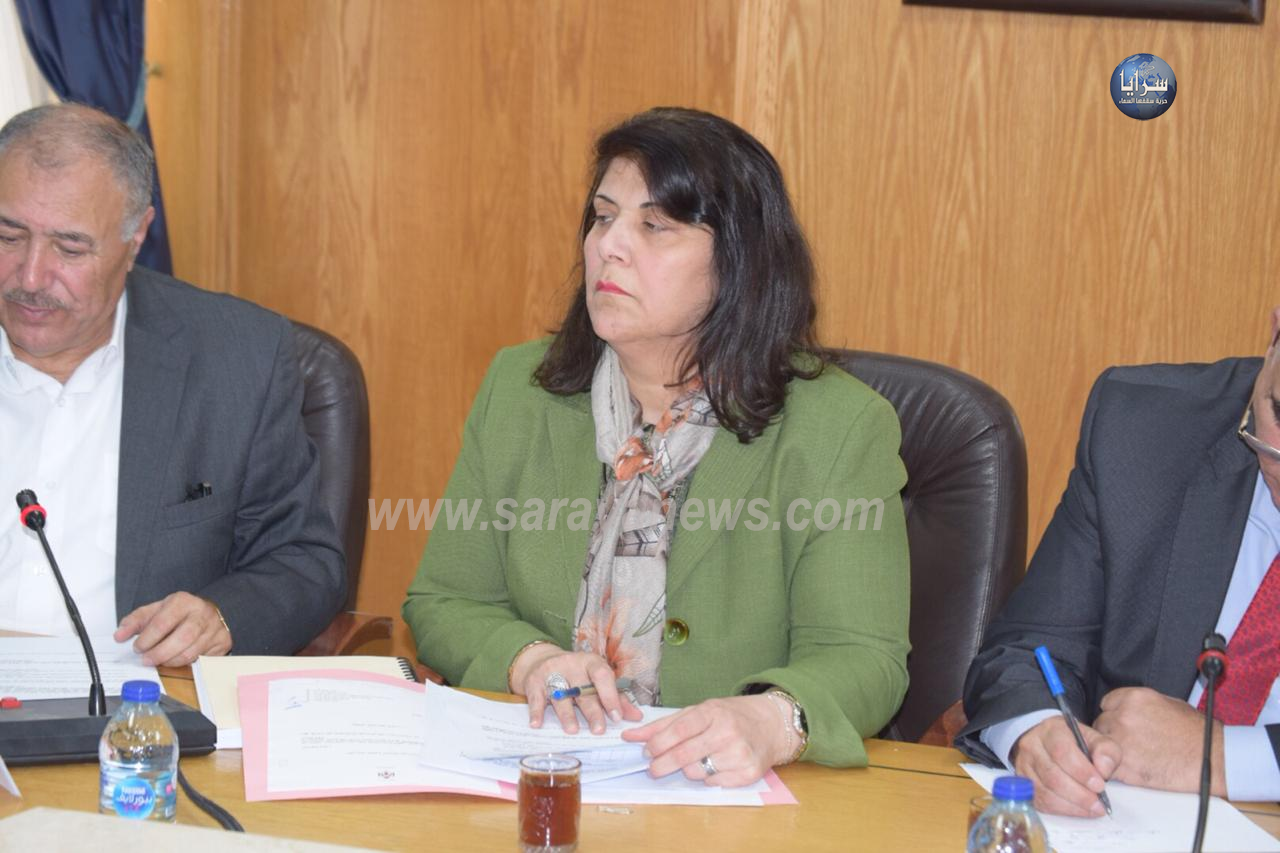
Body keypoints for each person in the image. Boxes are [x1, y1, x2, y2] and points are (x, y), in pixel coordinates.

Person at [403, 107, 910, 787]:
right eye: (602, 217)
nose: (609, 247)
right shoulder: (521, 390)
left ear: (737, 262)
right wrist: (529, 660)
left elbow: (864, 657)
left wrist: (770, 719)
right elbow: (444, 599)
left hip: (724, 799)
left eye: (654, 226)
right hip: (544, 774)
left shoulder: (839, 428)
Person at [0, 103, 345, 664]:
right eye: (8, 236)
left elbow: (303, 559)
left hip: (139, 700)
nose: (31, 276)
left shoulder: (237, 358)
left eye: (69, 248)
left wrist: (222, 616)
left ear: (136, 237)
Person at [958, 316, 1280, 814]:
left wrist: (1224, 758)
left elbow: (1213, 758)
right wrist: (1036, 732)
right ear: (1275, 335)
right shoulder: (1143, 429)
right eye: (1278, 415)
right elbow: (1032, 650)